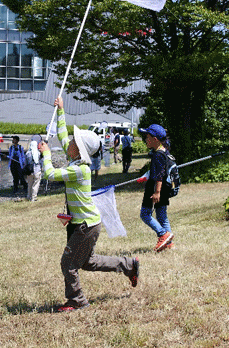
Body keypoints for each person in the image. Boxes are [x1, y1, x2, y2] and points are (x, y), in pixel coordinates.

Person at [38, 96, 140, 312]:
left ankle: (77, 301)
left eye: (74, 141)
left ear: (80, 149)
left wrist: (46, 154)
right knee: (88, 262)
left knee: (68, 264)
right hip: (82, 224)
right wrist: (62, 111)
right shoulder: (75, 157)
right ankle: (129, 265)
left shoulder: (80, 169)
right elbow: (63, 134)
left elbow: (50, 173)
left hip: (85, 225)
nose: (69, 142)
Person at [139, 124, 174, 252]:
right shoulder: (164, 151)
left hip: (155, 190)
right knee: (161, 216)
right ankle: (169, 243)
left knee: (145, 214)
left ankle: (163, 234)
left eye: (147, 137)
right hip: (164, 189)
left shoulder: (157, 155)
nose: (145, 140)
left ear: (155, 139)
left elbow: (159, 175)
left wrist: (156, 192)